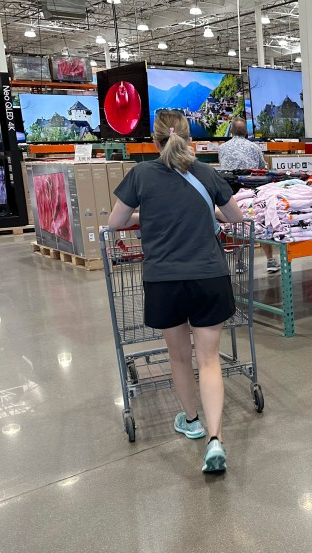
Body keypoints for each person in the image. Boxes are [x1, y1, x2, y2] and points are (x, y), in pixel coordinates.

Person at [108, 110, 245, 474]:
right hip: (208, 277)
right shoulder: (207, 174)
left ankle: (192, 420)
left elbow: (115, 223)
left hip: (163, 281)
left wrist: (145, 216)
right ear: (190, 138)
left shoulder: (139, 175)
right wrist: (208, 212)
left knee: (180, 358)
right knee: (209, 359)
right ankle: (216, 439)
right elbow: (236, 219)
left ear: (154, 140)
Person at [218, 117, 281, 273]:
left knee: (236, 225)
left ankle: (239, 263)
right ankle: (270, 261)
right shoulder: (254, 148)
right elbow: (262, 168)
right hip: (251, 191)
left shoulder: (222, 148)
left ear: (231, 131)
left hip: (231, 192)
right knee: (260, 222)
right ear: (246, 133)